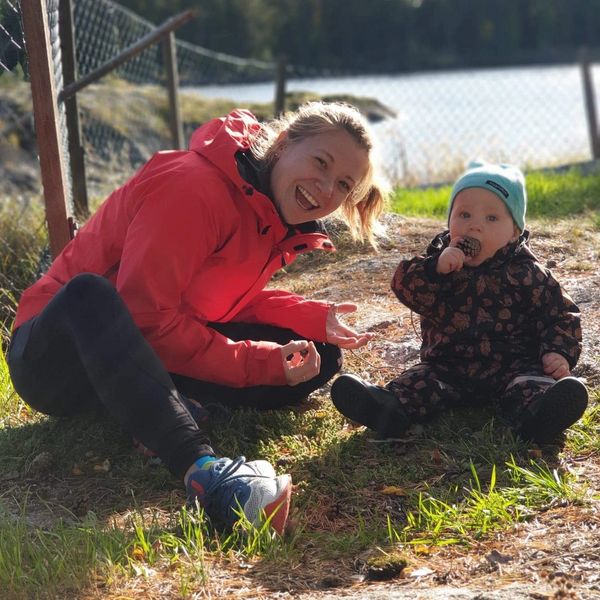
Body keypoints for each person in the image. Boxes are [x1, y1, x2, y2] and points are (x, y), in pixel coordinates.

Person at [7, 102, 386, 534]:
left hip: (141, 346)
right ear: (283, 145)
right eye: (321, 162)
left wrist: (309, 318)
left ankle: (153, 404)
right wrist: (255, 361)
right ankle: (202, 471)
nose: (325, 189)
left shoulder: (267, 210)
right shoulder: (194, 187)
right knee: (90, 292)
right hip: (57, 355)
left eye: (343, 184)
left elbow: (214, 300)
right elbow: (143, 316)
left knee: (318, 355)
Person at [331, 161, 588, 445]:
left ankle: (538, 417)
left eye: (491, 218)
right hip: (447, 366)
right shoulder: (440, 265)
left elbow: (561, 316)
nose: (474, 226)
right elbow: (406, 288)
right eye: (464, 214)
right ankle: (387, 409)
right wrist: (435, 271)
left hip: (514, 366)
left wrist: (558, 352)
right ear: (450, 220)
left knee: (531, 386)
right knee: (418, 383)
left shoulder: (529, 273)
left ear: (514, 232)